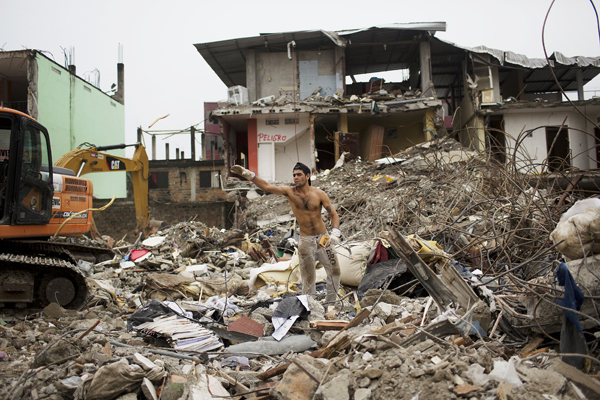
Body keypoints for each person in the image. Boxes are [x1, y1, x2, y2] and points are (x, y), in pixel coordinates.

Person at [231, 162, 341, 303]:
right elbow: (267, 187)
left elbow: (334, 215)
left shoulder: (319, 194)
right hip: (306, 240)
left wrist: (335, 232)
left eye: (299, 174)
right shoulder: (290, 192)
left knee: (334, 270)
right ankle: (310, 306)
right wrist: (249, 175)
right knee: (308, 277)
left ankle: (331, 304)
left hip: (323, 238)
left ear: (307, 176)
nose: (295, 177)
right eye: (294, 175)